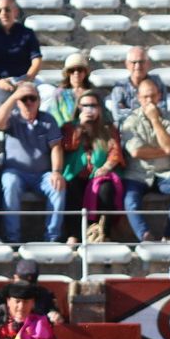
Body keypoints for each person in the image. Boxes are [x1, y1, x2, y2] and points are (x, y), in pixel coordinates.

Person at [0, 80, 65, 244]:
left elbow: (56, 147)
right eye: (24, 99)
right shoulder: (12, 119)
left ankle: (52, 238)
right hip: (16, 172)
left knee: (58, 186)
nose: (29, 102)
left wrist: (57, 172)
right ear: (18, 101)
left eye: (32, 98)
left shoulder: (48, 120)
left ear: (39, 100)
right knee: (9, 183)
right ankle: (13, 238)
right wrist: (15, 97)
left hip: (42, 175)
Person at [120, 78, 170, 242]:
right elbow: (137, 151)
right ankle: (145, 236)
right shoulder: (130, 121)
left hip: (163, 174)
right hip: (137, 174)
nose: (149, 101)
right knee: (130, 200)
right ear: (139, 98)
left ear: (159, 96)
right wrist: (165, 150)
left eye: (153, 96)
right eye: (145, 97)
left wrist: (155, 120)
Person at [61, 91, 122, 242]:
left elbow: (115, 151)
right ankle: (74, 234)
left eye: (93, 105)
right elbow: (67, 146)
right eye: (85, 106)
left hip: (99, 175)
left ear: (100, 108)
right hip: (76, 174)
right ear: (79, 108)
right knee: (70, 187)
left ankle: (104, 234)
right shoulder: (69, 127)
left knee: (106, 189)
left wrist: (106, 167)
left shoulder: (108, 129)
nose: (89, 109)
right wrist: (80, 127)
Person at [0, 0, 42, 117]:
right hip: (1, 82)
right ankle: (1, 129)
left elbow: (36, 60)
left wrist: (27, 80)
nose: (3, 13)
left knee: (49, 92)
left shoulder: (28, 33)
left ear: (15, 11)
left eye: (7, 9)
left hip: (25, 79)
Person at [106, 47, 164, 127]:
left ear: (148, 63)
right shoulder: (120, 87)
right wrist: (149, 111)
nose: (138, 66)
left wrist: (129, 111)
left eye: (141, 62)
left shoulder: (157, 83)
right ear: (127, 64)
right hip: (129, 130)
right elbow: (118, 116)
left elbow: (162, 110)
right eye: (134, 62)